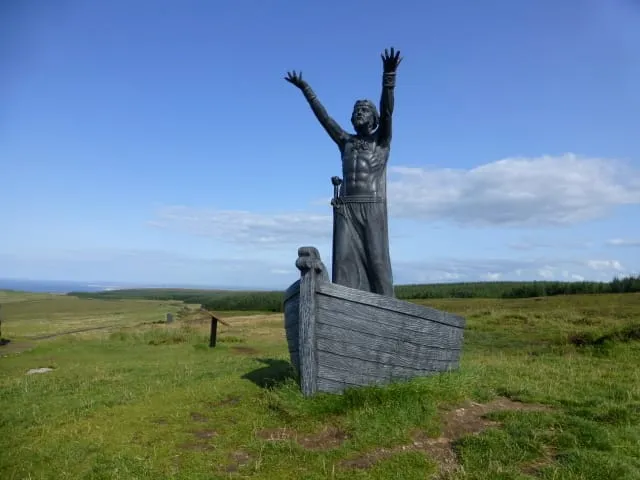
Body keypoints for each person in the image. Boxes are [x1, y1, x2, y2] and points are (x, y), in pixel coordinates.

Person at [285, 47, 402, 297]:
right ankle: (346, 304)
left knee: (377, 261)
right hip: (346, 207)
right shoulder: (345, 141)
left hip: (372, 205)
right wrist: (306, 89)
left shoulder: (381, 141)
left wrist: (389, 76)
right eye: (356, 110)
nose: (359, 112)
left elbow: (388, 109)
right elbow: (324, 118)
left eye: (365, 110)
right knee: (344, 263)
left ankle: (388, 309)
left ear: (374, 118)